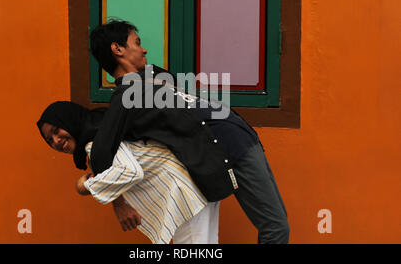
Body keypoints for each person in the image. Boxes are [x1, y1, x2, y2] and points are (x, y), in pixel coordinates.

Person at [86, 19, 290, 244]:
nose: (144, 49)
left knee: (277, 225)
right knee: (276, 228)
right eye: (137, 42)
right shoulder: (125, 98)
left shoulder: (151, 77)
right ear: (117, 49)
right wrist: (119, 203)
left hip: (244, 140)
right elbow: (100, 152)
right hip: (232, 150)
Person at [37, 101, 220, 244]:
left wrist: (83, 186)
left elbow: (129, 172)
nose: (56, 140)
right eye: (49, 140)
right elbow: (113, 169)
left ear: (68, 121)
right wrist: (117, 202)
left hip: (185, 194)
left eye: (56, 131)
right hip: (194, 186)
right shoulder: (102, 130)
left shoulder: (95, 143)